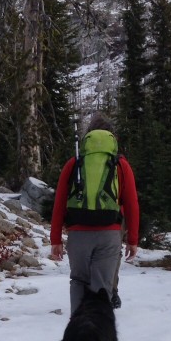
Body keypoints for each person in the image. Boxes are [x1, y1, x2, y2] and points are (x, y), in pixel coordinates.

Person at [49, 113, 139, 315]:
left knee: (79, 282)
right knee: (102, 288)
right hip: (109, 234)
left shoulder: (75, 163)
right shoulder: (120, 165)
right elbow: (132, 204)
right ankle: (99, 338)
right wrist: (132, 239)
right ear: (112, 138)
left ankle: (77, 335)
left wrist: (55, 239)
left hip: (78, 234)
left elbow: (59, 204)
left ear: (87, 138)